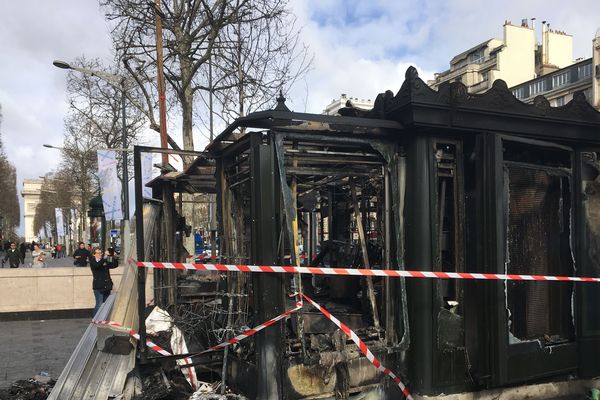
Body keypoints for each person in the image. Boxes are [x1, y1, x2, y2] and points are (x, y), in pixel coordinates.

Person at [89, 247, 119, 316]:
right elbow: (97, 265)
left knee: (106, 304)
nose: (100, 254)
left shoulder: (104, 260)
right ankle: (95, 320)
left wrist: (112, 256)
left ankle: (103, 319)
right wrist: (104, 258)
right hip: (98, 286)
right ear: (94, 254)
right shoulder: (93, 261)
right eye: (98, 253)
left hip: (107, 286)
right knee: (99, 304)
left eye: (101, 253)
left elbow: (114, 265)